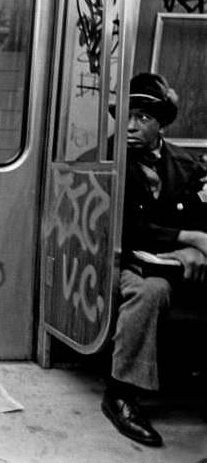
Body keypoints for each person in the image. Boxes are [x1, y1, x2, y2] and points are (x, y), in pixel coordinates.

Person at [102, 72, 207, 446]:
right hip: (123, 260)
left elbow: (200, 215)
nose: (131, 126)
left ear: (161, 122)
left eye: (143, 118)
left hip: (180, 259)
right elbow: (122, 228)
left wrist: (193, 247)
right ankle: (121, 392)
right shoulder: (107, 162)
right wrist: (186, 238)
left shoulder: (186, 164)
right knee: (149, 291)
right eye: (126, 115)